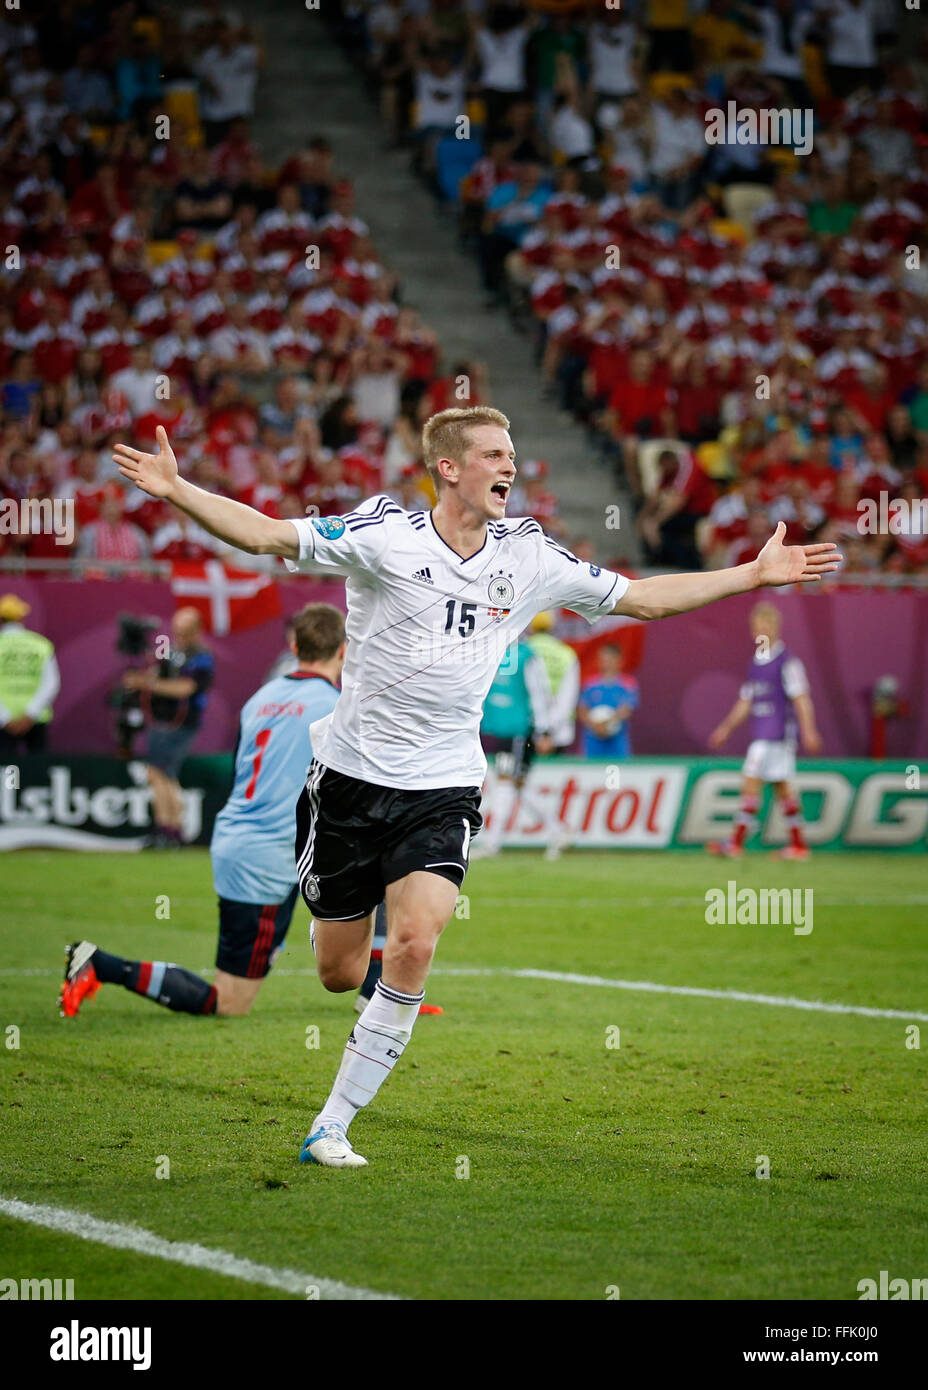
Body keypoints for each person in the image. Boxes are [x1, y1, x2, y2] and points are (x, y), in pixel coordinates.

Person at [111, 412, 841, 1168]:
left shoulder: (528, 556)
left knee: (418, 941)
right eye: (494, 455)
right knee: (335, 972)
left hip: (444, 785)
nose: (510, 468)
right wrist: (176, 491)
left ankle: (331, 1123)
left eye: (514, 455)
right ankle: (345, 967)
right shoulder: (383, 535)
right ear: (448, 467)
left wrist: (751, 575)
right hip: (350, 785)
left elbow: (643, 598)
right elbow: (266, 534)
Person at [59, 604, 345, 1020]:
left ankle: (379, 995)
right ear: (345, 649)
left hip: (248, 841)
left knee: (370, 891)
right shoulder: (335, 707)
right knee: (229, 1002)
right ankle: (98, 964)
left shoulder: (260, 699)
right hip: (269, 855)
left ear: (293, 645)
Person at [707, 602, 821, 861]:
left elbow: (802, 698)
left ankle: (735, 843)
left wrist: (809, 731)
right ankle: (799, 846)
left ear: (775, 628)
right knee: (783, 789)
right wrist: (725, 728)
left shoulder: (787, 662)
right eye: (755, 626)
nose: (758, 630)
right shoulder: (756, 662)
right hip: (763, 733)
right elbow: (746, 701)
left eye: (763, 625)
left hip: (777, 734)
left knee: (751, 780)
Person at [125, 607, 214, 848]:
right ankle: (168, 827)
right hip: (160, 720)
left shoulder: (202, 656)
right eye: (177, 631)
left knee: (161, 774)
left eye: (185, 632)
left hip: (182, 723)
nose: (179, 636)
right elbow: (156, 672)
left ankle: (171, 828)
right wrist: (146, 676)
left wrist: (148, 684)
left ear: (197, 631)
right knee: (160, 775)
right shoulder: (171, 652)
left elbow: (185, 688)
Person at [472, 632, 554, 860]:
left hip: (518, 731)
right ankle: (559, 830)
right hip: (498, 728)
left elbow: (539, 693)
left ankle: (492, 843)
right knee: (516, 785)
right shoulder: (490, 649)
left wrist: (543, 730)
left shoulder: (526, 655)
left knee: (506, 784)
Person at [0, 593, 60, 757]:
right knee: (38, 775)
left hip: (3, 722)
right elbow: (51, 683)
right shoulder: (40, 645)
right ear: (22, 618)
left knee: (5, 777)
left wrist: (4, 717)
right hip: (35, 719)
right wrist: (30, 713)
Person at [578, 644, 639, 759]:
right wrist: (595, 726)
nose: (606, 663)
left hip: (616, 742)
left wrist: (605, 723)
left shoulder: (628, 684)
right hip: (593, 741)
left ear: (619, 660)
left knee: (619, 774)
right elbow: (582, 710)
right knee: (591, 775)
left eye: (610, 659)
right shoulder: (590, 684)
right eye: (603, 659)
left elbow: (626, 710)